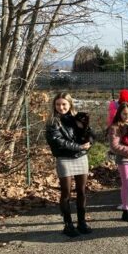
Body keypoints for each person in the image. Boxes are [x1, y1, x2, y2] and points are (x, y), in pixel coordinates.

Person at [45, 92, 94, 237]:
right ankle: (68, 224)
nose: (61, 107)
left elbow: (90, 133)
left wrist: (89, 141)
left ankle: (82, 222)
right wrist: (79, 147)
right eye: (58, 104)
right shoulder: (53, 122)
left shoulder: (78, 118)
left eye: (64, 104)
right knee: (66, 192)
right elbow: (59, 141)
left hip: (81, 157)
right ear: (54, 105)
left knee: (81, 191)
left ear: (70, 104)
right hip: (64, 158)